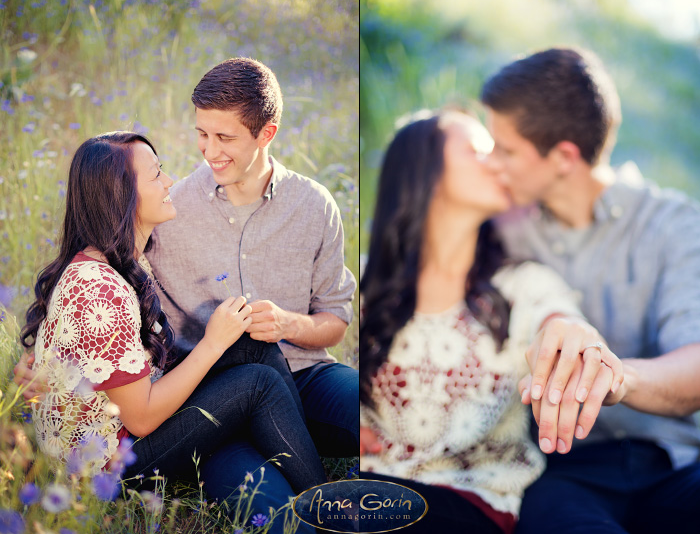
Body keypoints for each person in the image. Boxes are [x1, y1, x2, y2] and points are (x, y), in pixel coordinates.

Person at [17, 132, 326, 532]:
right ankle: (327, 504)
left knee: (254, 346)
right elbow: (142, 419)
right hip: (110, 465)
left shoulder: (115, 261)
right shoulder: (99, 289)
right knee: (258, 384)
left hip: (127, 426)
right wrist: (212, 343)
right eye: (157, 174)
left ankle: (290, 454)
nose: (169, 182)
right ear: (121, 197)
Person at [481, 47, 700, 533]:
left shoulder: (673, 222)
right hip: (562, 474)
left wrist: (618, 377)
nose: (493, 163)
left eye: (505, 149)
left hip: (672, 464)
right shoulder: (501, 230)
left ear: (564, 157)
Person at [359, 109, 624, 534]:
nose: (498, 163)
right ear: (426, 170)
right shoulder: (363, 281)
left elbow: (557, 320)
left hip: (471, 501)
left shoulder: (521, 285)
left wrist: (571, 334)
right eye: (479, 151)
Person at [142, 57, 358, 512]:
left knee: (387, 412)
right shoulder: (171, 211)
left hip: (305, 378)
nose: (209, 150)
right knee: (275, 513)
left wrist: (287, 324)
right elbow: (102, 275)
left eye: (225, 137)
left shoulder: (314, 206)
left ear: (267, 133)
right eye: (202, 133)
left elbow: (335, 322)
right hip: (216, 403)